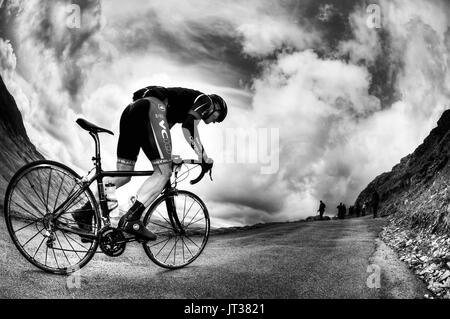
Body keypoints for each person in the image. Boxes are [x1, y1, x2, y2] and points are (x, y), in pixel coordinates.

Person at [72, 86, 228, 240]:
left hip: (132, 111)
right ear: (217, 107)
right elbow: (188, 127)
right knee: (164, 173)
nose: (215, 122)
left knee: (123, 176)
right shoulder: (206, 101)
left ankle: (85, 213)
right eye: (218, 118)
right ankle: (132, 220)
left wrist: (170, 156)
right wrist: (204, 157)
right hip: (152, 108)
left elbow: (162, 134)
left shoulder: (176, 109)